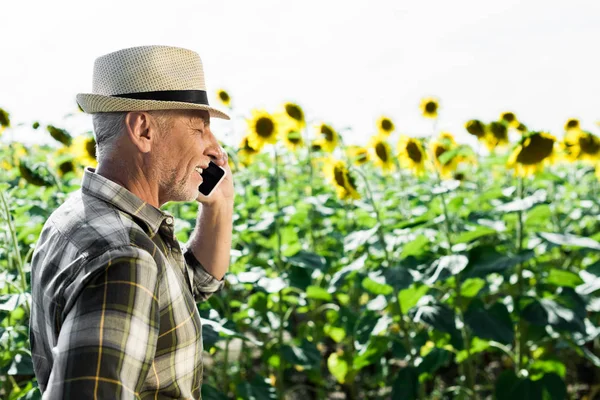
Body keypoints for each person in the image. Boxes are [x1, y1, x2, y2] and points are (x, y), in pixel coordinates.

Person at [29, 45, 234, 399]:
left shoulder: (76, 218)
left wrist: (219, 205)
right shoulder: (126, 257)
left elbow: (189, 289)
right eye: (200, 129)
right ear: (143, 130)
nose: (216, 149)